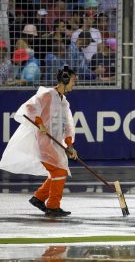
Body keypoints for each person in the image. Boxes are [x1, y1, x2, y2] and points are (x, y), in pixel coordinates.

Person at [0, 66, 78, 217]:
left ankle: (39, 198)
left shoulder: (65, 102)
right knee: (60, 171)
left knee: (58, 172)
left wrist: (70, 145)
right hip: (44, 142)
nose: (74, 84)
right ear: (65, 80)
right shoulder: (47, 94)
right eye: (73, 80)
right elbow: (30, 108)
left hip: (56, 143)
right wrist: (40, 123)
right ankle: (53, 206)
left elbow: (68, 126)